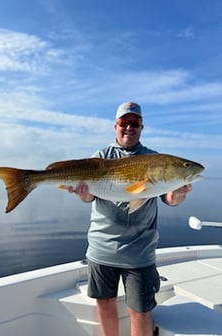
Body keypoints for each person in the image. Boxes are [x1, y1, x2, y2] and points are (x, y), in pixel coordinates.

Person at [69, 102, 192, 336]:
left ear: (141, 127)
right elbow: (89, 197)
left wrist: (177, 195)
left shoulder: (154, 160)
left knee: (141, 311)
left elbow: (170, 198)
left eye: (134, 123)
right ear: (115, 126)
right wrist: (84, 195)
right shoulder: (102, 156)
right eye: (124, 123)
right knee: (104, 304)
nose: (128, 128)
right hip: (101, 248)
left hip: (140, 252)